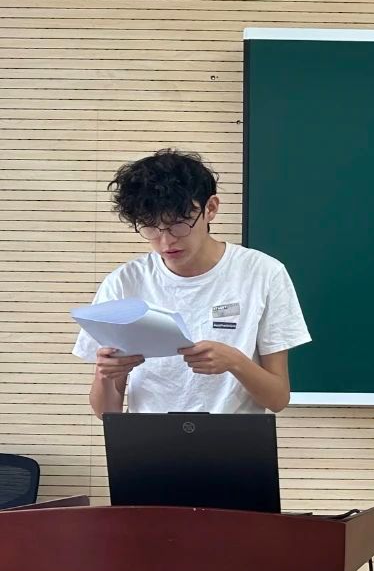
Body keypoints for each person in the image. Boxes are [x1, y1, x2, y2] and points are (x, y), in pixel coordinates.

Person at [73, 149, 310, 416]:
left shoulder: (263, 273)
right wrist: (106, 375)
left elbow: (277, 399)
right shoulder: (124, 283)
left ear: (211, 208)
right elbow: (106, 413)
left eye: (179, 224)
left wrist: (235, 362)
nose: (166, 241)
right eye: (150, 227)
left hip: (234, 439)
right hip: (148, 438)